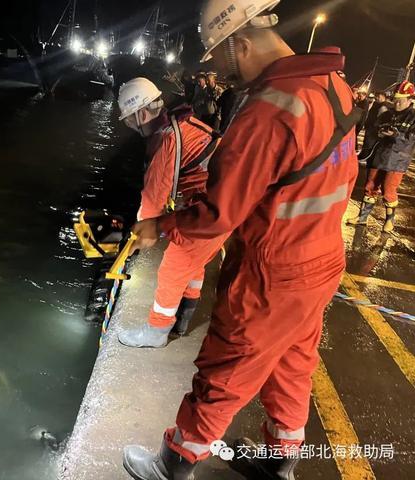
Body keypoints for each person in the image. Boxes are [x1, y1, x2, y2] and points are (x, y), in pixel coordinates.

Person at [122, 1, 360, 479]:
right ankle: (280, 463)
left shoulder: (271, 106)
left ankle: (174, 464)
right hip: (321, 257)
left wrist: (158, 227)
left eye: (221, 59)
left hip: (274, 269)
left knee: (224, 370)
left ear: (240, 41)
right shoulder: (334, 86)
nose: (221, 72)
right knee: (291, 364)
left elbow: (217, 214)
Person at [116, 77, 228, 348]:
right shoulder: (183, 124)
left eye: (131, 120)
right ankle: (183, 318)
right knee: (193, 265)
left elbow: (152, 203)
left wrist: (135, 239)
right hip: (221, 204)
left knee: (172, 267)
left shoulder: (166, 141)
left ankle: (156, 332)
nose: (132, 126)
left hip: (211, 210)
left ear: (142, 113)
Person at [347, 81, 415, 233]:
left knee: (388, 191)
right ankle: (362, 218)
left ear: (410, 99)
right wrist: (379, 132)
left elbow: (411, 139)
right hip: (379, 157)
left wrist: (396, 135)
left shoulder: (413, 117)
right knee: (370, 187)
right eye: (395, 99)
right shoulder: (387, 114)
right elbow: (373, 129)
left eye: (401, 100)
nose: (397, 103)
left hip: (397, 162)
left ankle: (389, 221)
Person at [360, 91, 390, 160]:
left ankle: (365, 157)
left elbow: (380, 119)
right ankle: (363, 155)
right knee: (366, 143)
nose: (376, 98)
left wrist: (376, 127)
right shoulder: (376, 104)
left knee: (369, 145)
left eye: (378, 96)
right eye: (376, 96)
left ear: (383, 97)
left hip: (374, 130)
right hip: (370, 128)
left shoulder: (384, 106)